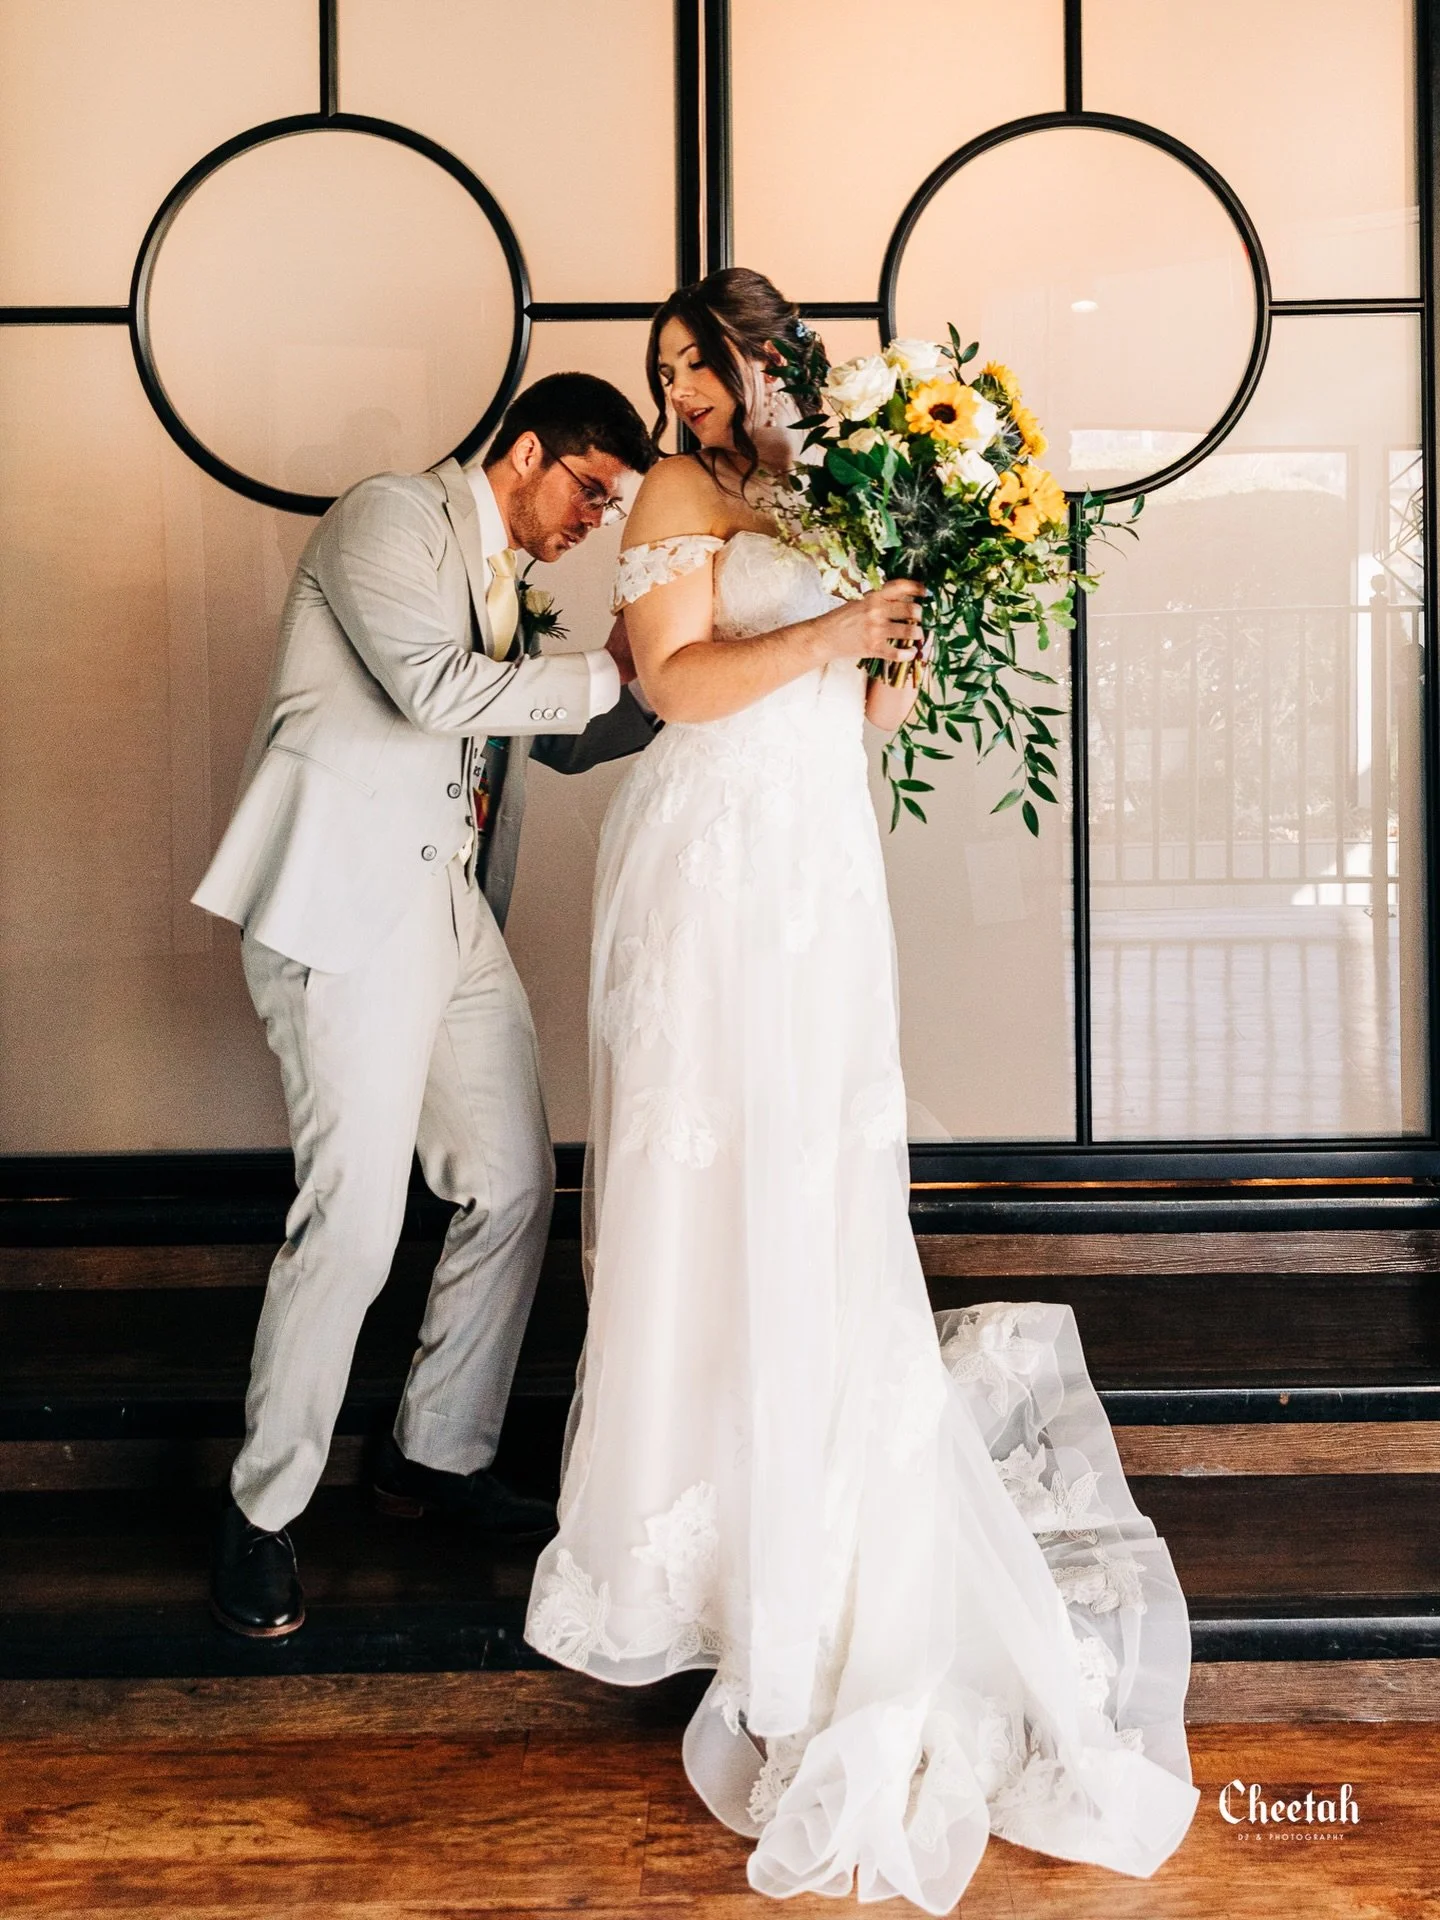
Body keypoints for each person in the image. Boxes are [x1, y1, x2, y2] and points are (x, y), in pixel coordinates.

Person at [523, 274, 1199, 1912]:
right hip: (709, 858)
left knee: (820, 1176)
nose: (683, 398)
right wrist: (831, 627)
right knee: (712, 1176)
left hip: (819, 851)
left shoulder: (832, 494)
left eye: (705, 367)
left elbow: (871, 706)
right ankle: (705, 1547)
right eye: (668, 371)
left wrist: (906, 628)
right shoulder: (680, 496)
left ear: (774, 364)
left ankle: (813, 1501)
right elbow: (675, 682)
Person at [193, 372, 658, 1639]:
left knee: (513, 1181)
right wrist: (603, 676)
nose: (594, 521)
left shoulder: (507, 570)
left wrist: (697, 671)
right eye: (590, 491)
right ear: (523, 454)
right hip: (343, 912)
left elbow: (555, 736)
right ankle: (263, 1512)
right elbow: (438, 693)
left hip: (447, 914)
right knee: (352, 1220)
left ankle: (430, 1460)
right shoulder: (387, 517)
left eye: (615, 504)